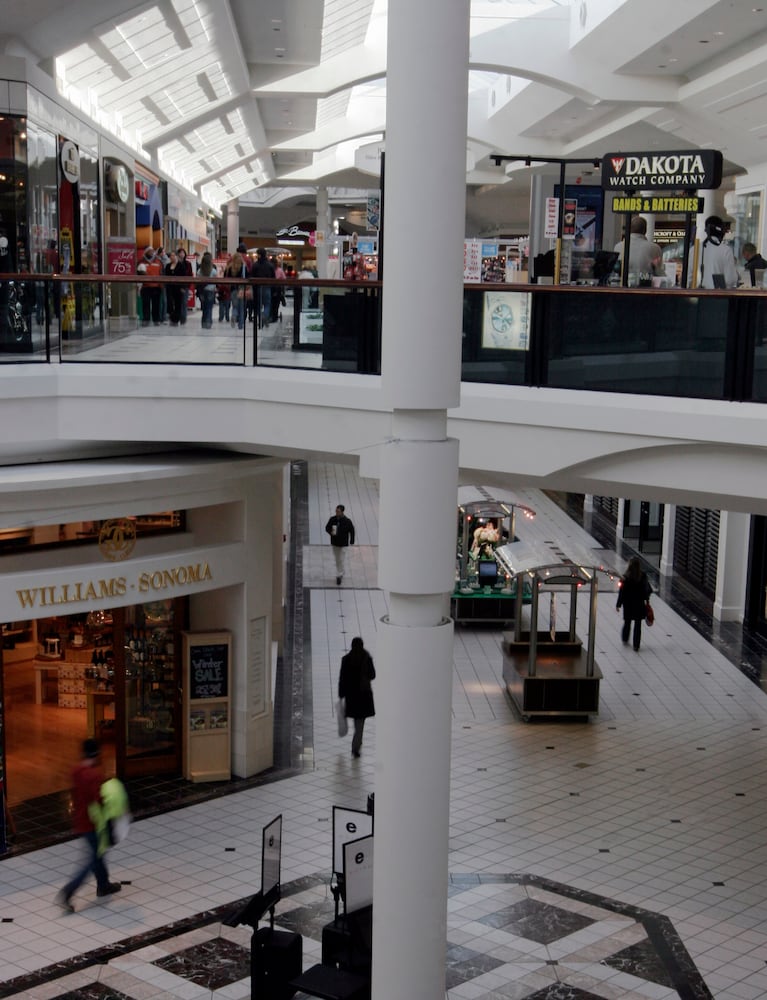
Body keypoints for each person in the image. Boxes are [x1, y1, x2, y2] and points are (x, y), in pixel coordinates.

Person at [56, 739, 121, 912]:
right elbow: (98, 801)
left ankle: (104, 885)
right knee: (92, 860)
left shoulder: (76, 771)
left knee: (98, 854)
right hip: (93, 823)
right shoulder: (94, 776)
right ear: (96, 754)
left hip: (79, 820)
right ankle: (68, 892)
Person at [338, 636, 375, 758]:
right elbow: (372, 675)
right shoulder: (366, 658)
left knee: (356, 722)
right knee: (360, 724)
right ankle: (356, 746)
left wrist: (341, 694)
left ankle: (356, 744)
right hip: (364, 696)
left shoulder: (346, 660)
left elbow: (342, 678)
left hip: (352, 697)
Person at [616, 556, 652, 651]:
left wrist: (618, 604)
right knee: (638, 625)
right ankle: (636, 645)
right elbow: (647, 590)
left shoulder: (625, 577)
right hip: (639, 604)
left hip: (628, 604)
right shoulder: (643, 576)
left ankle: (625, 638)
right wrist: (646, 599)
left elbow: (622, 592)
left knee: (627, 622)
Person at [613, 216, 664, 284]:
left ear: (630, 229)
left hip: (622, 287)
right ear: (645, 230)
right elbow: (659, 272)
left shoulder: (618, 246)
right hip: (645, 288)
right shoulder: (655, 248)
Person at [700, 215, 738, 289]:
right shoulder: (726, 250)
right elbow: (731, 279)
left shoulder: (694, 250)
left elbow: (688, 278)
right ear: (720, 230)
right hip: (718, 297)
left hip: (694, 296)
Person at [325, 503, 355, 585]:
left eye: (338, 511)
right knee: (337, 559)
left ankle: (339, 574)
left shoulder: (347, 521)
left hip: (343, 544)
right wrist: (330, 532)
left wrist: (352, 541)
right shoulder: (332, 519)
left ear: (342, 512)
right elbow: (327, 527)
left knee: (341, 559)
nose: (336, 512)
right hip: (335, 543)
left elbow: (352, 530)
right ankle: (341, 571)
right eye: (336, 511)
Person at [251, 247, 275, 328]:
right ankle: (265, 315)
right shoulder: (270, 265)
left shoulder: (255, 265)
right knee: (267, 304)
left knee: (258, 305)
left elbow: (252, 276)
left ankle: (260, 319)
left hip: (257, 287)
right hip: (267, 287)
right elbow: (273, 277)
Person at [225, 250, 249, 329]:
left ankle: (234, 315)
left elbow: (225, 278)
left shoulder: (229, 267)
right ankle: (240, 325)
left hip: (233, 289)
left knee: (235, 306)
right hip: (242, 289)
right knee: (242, 307)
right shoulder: (243, 267)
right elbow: (247, 278)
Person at [139, 247, 162, 325]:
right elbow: (138, 273)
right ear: (146, 252)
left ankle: (156, 320)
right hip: (145, 287)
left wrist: (161, 285)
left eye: (152, 251)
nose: (151, 252)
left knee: (156, 304)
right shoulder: (141, 262)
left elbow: (162, 273)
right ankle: (146, 319)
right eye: (149, 251)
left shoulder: (158, 261)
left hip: (156, 287)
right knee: (146, 304)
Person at [196, 251, 217, 329]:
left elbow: (197, 280)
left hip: (202, 291)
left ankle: (203, 322)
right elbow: (216, 281)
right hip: (210, 291)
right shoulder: (213, 271)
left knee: (204, 307)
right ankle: (208, 322)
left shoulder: (199, 271)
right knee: (209, 308)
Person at [176, 247, 193, 324]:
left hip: (185, 285)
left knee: (184, 303)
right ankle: (176, 318)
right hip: (176, 286)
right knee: (177, 302)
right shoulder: (175, 263)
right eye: (180, 253)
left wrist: (188, 285)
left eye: (183, 253)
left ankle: (183, 319)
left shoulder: (188, 264)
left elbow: (190, 275)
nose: (182, 254)